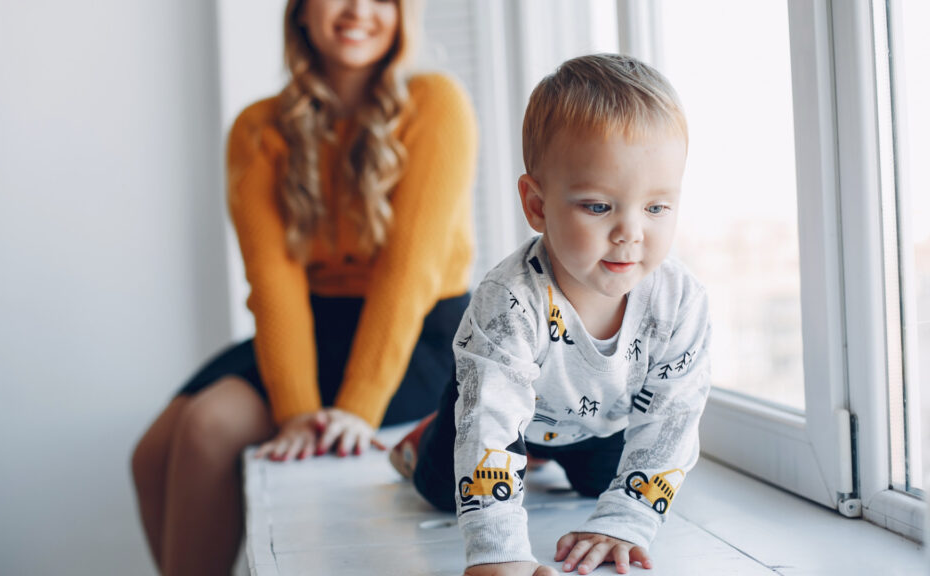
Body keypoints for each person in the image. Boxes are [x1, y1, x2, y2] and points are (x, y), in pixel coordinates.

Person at [130, 0, 477, 573]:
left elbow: (407, 275)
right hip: (312, 326)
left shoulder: (436, 103)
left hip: (416, 333)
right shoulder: (257, 128)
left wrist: (356, 410)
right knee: (152, 455)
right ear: (301, 12)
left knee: (206, 429)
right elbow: (273, 281)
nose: (358, 11)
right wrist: (296, 410)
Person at [390, 53, 711, 576]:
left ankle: (542, 458)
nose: (631, 232)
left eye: (656, 208)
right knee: (439, 490)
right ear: (537, 205)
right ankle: (425, 433)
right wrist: (501, 557)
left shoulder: (682, 303)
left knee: (601, 487)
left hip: (599, 421)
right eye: (599, 206)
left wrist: (623, 522)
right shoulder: (508, 301)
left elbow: (671, 421)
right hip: (496, 409)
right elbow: (489, 430)